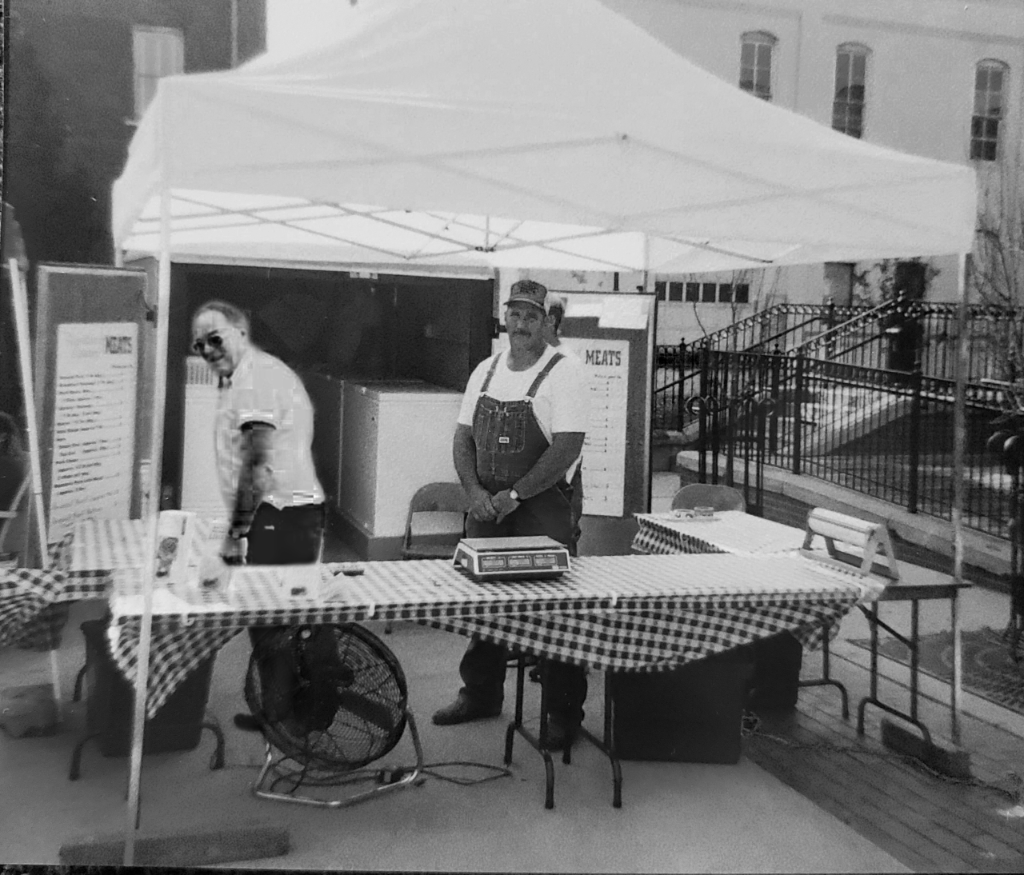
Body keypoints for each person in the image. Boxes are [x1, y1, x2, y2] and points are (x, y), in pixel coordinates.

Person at [432, 279, 589, 750]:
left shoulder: (566, 373)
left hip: (541, 506)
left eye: (532, 316)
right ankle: (480, 694)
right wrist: (473, 491)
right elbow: (463, 437)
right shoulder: (485, 370)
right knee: (485, 603)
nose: (521, 324)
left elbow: (567, 447)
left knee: (557, 609)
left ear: (548, 322)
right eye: (515, 314)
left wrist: (516, 495)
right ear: (505, 318)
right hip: (488, 505)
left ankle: (564, 714)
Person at [190, 300, 326, 732]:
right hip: (283, 512)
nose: (208, 349)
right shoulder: (248, 376)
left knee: (284, 618)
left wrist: (235, 534)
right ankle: (279, 708)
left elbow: (258, 467)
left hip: (281, 515)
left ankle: (305, 713)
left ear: (241, 333)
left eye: (217, 338)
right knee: (275, 618)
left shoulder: (256, 381)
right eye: (200, 343)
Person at [542, 294, 585, 546]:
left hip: (558, 479)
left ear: (550, 321)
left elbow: (570, 434)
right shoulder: (527, 359)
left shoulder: (569, 365)